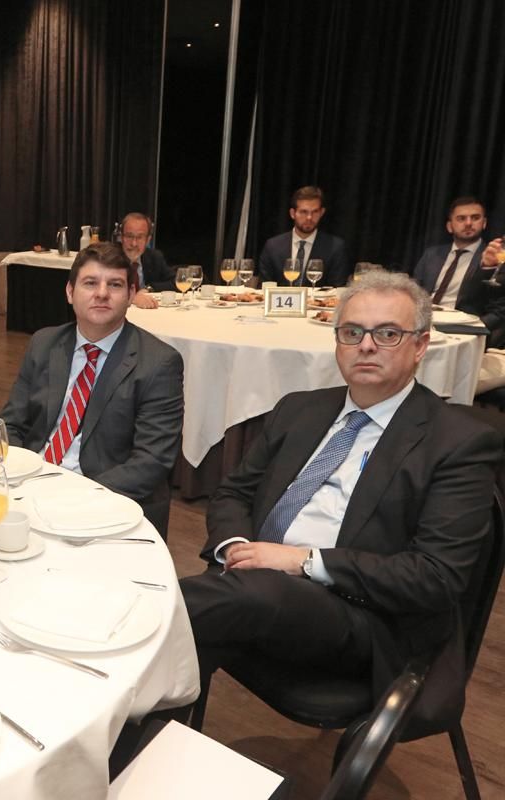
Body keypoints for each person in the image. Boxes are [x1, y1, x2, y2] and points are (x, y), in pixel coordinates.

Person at [180, 270, 501, 729]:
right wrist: (234, 547)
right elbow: (235, 492)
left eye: (388, 333)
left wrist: (302, 561)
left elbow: (436, 576)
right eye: (352, 332)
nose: (366, 346)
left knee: (234, 599)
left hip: (363, 616)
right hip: (254, 587)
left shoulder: (459, 442)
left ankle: (112, 618)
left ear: (420, 345)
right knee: (173, 661)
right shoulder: (300, 408)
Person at [0, 241, 184, 535]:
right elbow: (12, 423)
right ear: (70, 293)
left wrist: (73, 494)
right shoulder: (45, 343)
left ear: (131, 295)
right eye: (90, 283)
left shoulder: (159, 363)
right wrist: (18, 477)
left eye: (114, 285)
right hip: (31, 486)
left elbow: (151, 460)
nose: (101, 293)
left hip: (106, 501)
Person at [411, 197, 505, 347]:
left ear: (484, 223)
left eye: (475, 218)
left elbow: (500, 308)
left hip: (462, 333)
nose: (468, 223)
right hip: (423, 323)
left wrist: (473, 330)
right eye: (461, 218)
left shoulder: (495, 257)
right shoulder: (432, 254)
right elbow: (413, 290)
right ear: (450, 226)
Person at [257, 186, 350, 287]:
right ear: (293, 214)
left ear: (322, 213)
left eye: (315, 212)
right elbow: (264, 287)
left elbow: (337, 289)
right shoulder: (273, 246)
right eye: (303, 212)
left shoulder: (335, 247)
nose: (309, 217)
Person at [117, 213, 175, 310]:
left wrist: (148, 288)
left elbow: (175, 282)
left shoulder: (154, 257)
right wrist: (132, 298)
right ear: (121, 237)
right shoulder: (111, 258)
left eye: (140, 237)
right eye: (129, 236)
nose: (134, 243)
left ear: (148, 240)